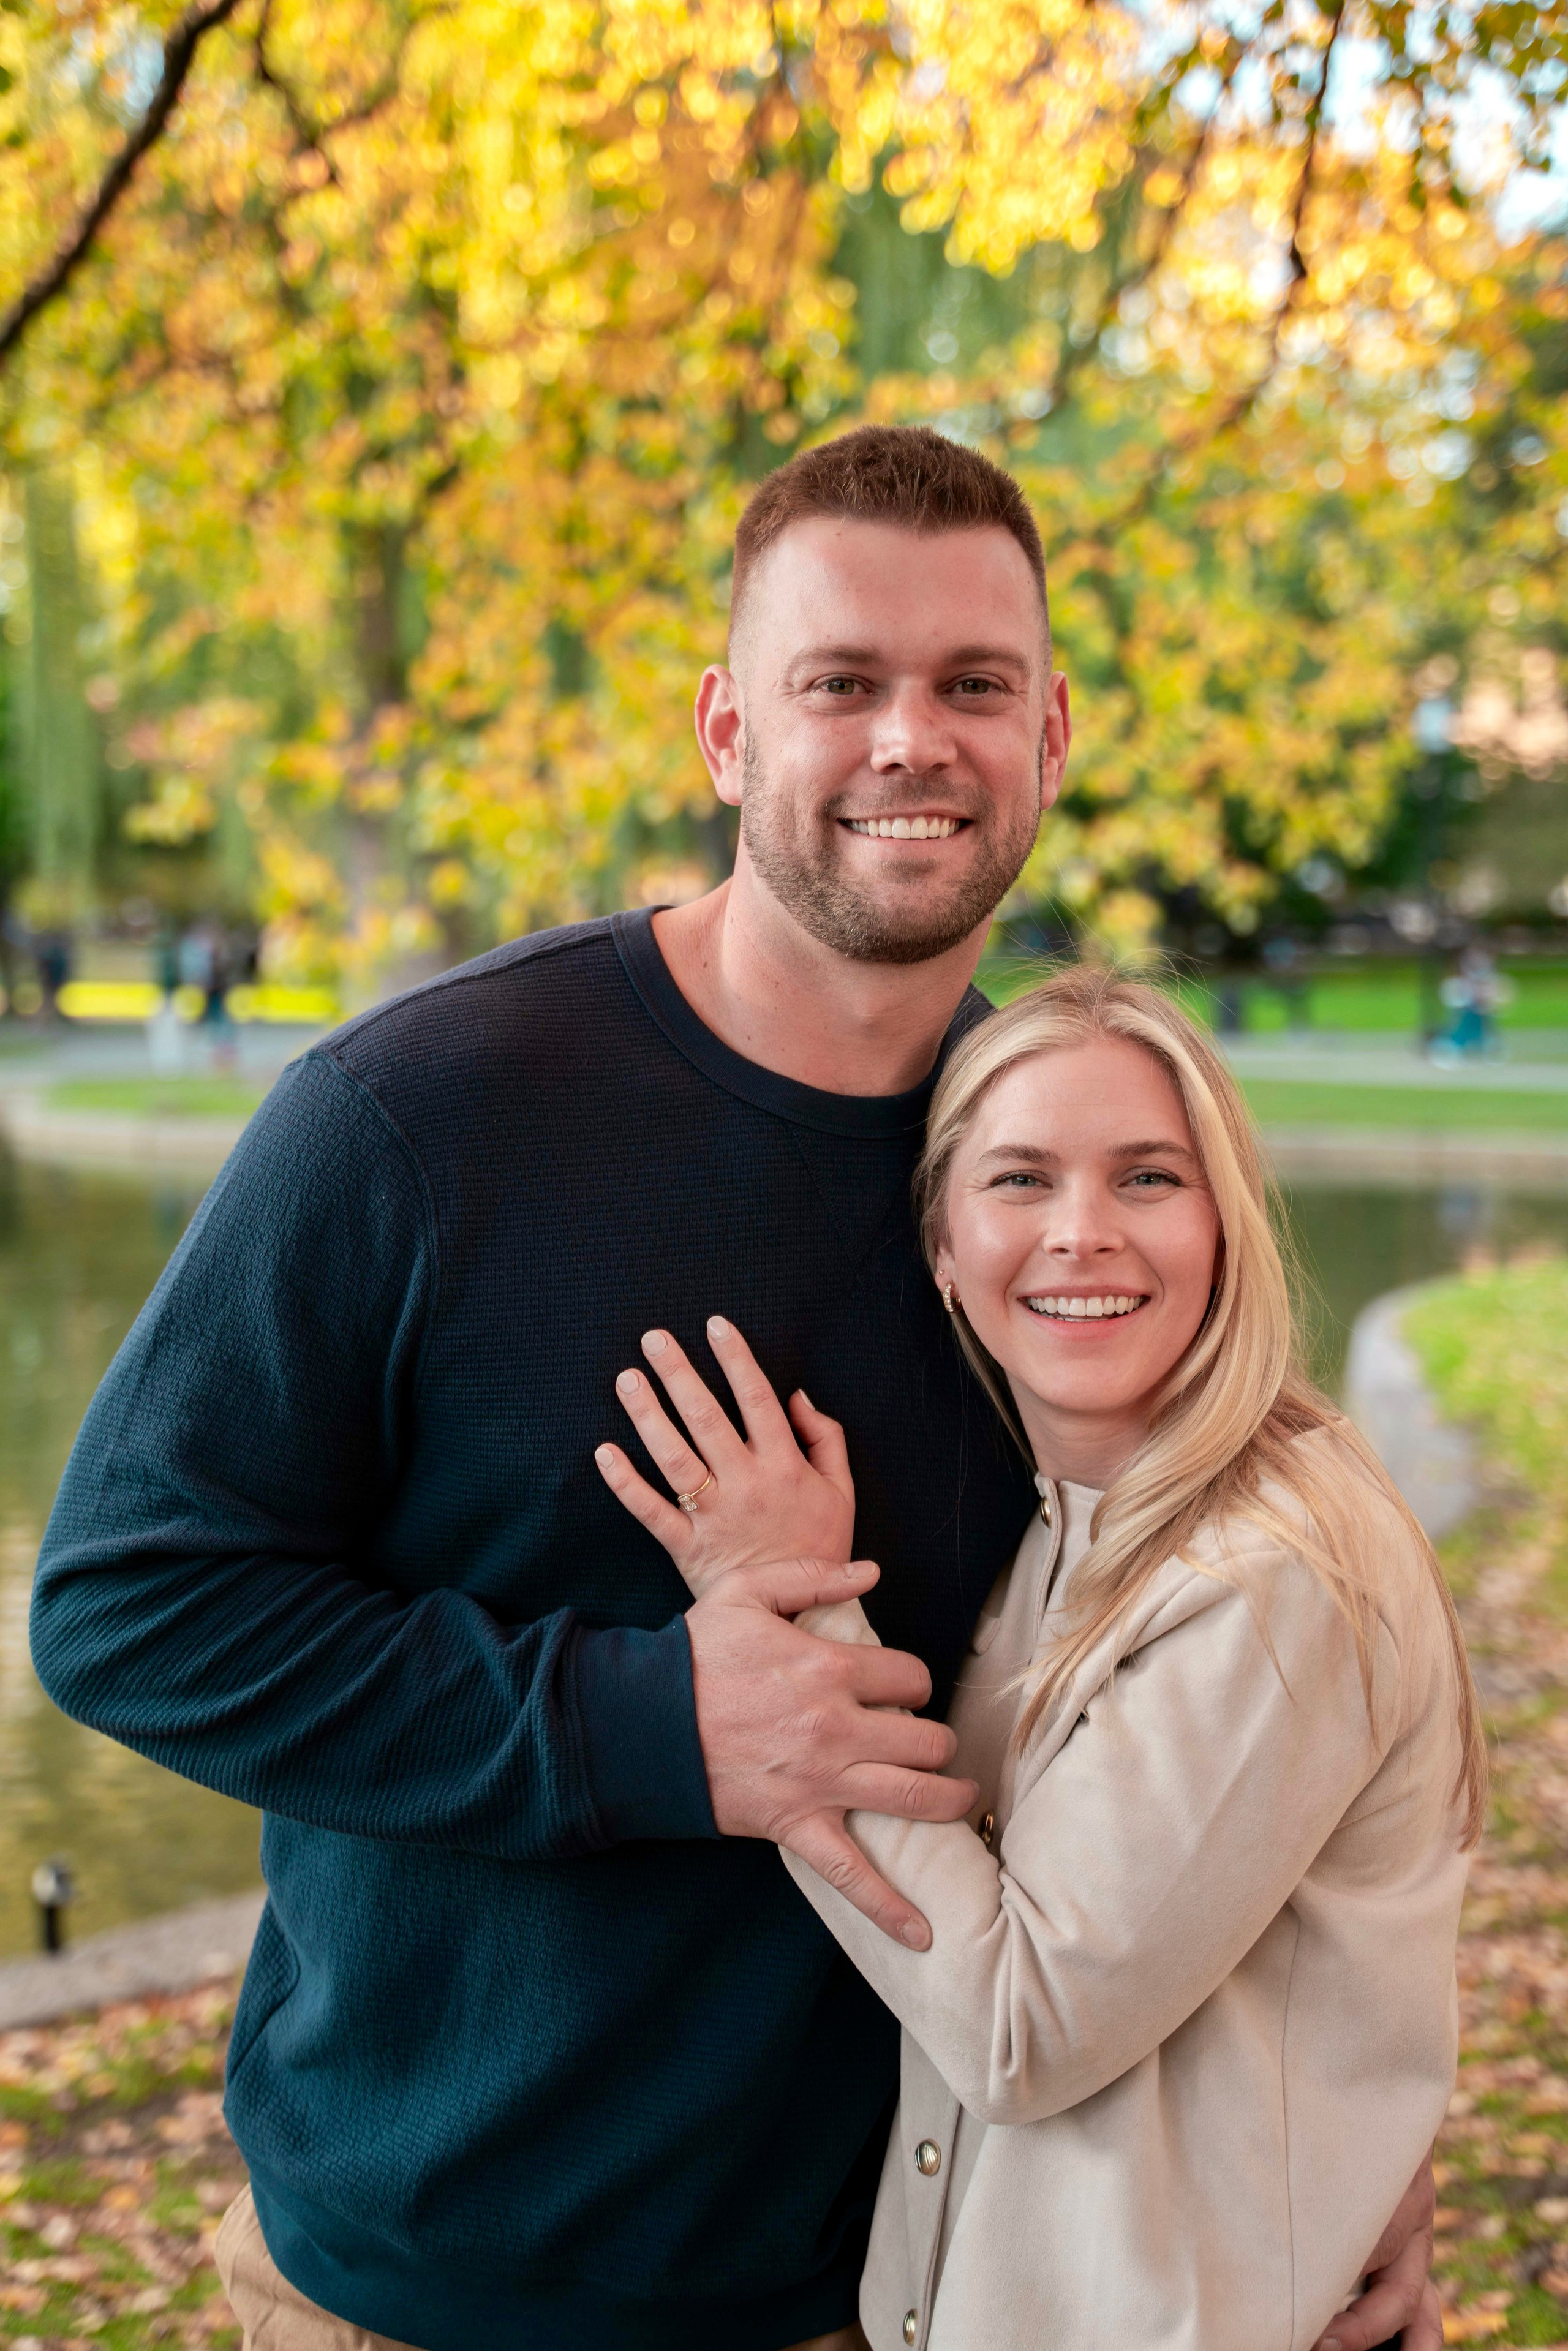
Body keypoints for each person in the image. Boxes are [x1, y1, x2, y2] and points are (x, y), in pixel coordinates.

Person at [29, 426, 1438, 2351]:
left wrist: (1334, 2132)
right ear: (725, 733)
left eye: (974, 686)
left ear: (1050, 745)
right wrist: (652, 1724)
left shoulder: (1053, 1199)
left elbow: (1192, 1714)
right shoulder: (419, 1117)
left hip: (885, 2288)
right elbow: (129, 1603)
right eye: (838, 683)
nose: (908, 741)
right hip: (435, 2289)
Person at [600, 964, 1482, 2350]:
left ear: (1225, 1224)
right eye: (1018, 1179)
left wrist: (786, 1602)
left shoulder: (1276, 1569)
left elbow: (1022, 2023)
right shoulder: (1059, 1521)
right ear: (942, 1245)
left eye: (1146, 1178)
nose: (1081, 1233)